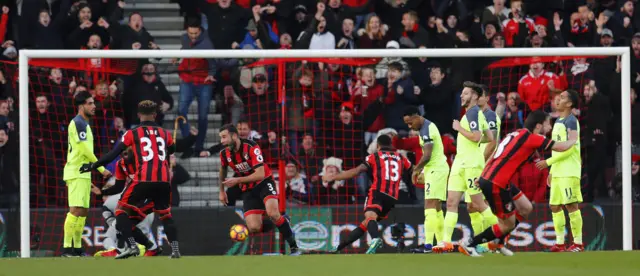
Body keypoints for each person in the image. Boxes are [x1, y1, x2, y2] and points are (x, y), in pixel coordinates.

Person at [458, 110, 578, 257]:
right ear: (539, 126)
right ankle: (469, 244)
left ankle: (498, 243)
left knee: (526, 208)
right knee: (506, 224)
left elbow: (497, 154)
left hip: (498, 179)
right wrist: (574, 139)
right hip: (496, 183)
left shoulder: (516, 133)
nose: (550, 128)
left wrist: (483, 175)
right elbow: (561, 147)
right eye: (548, 124)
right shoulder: (532, 138)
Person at [81, 100, 180, 259]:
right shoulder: (164, 133)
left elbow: (113, 153)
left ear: (138, 115)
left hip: (144, 179)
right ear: (155, 114)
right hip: (163, 180)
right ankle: (175, 250)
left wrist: (94, 165)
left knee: (120, 211)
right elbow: (173, 148)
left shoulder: (132, 134)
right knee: (165, 216)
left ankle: (132, 246)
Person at [217, 124, 300, 255]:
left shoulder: (251, 147)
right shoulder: (224, 153)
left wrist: (237, 180)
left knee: (273, 213)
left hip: (264, 182)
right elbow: (222, 169)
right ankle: (283, 221)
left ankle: (294, 247)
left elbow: (260, 174)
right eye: (221, 138)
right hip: (248, 189)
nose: (222, 141)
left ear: (234, 136)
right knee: (254, 227)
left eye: (224, 137)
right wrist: (221, 191)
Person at [435, 82, 495, 253]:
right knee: (452, 201)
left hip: (471, 165)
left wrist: (459, 128)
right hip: (460, 163)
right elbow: (489, 137)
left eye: (466, 93)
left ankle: (502, 233)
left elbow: (477, 137)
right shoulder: (473, 113)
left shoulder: (473, 113)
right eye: (462, 93)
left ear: (475, 96)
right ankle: (446, 242)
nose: (462, 96)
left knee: (477, 204)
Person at [326, 135, 412, 254]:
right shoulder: (401, 158)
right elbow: (414, 171)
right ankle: (339, 247)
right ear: (391, 145)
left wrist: (334, 177)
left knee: (370, 216)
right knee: (366, 223)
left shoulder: (374, 156)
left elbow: (356, 171)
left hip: (377, 191)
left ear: (378, 146)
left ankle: (376, 239)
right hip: (392, 197)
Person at [62, 91, 112, 257]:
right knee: (75, 210)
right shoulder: (78, 123)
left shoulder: (84, 123)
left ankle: (77, 248)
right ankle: (67, 249)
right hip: (76, 171)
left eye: (93, 103)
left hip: (84, 172)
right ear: (81, 105)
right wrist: (101, 168)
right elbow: (84, 149)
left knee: (83, 211)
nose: (94, 106)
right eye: (90, 103)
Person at [535, 89, 584, 252]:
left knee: (571, 205)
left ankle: (578, 243)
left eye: (562, 97)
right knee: (554, 206)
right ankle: (560, 243)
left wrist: (548, 162)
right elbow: (557, 149)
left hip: (569, 171)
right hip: (558, 171)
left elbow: (569, 148)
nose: (557, 99)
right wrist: (552, 171)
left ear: (569, 104)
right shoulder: (558, 122)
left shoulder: (571, 121)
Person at [94, 148, 160, 257]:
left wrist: (102, 192)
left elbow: (109, 207)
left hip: (139, 201)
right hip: (147, 206)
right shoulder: (136, 164)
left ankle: (122, 249)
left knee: (117, 228)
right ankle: (149, 247)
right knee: (129, 226)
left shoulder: (110, 201)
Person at [402, 106, 449, 253]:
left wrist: (416, 169)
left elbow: (427, 155)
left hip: (437, 169)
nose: (410, 126)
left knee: (429, 205)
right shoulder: (425, 127)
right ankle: (441, 243)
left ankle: (428, 244)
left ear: (416, 116)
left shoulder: (427, 129)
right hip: (435, 169)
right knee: (436, 207)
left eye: (410, 123)